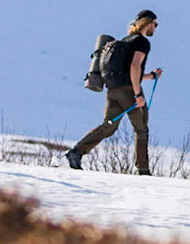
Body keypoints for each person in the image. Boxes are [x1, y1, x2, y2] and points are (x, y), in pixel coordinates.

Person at [66, 9, 163, 174]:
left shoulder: (125, 41)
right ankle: (143, 169)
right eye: (155, 24)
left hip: (113, 91)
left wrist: (151, 76)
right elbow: (134, 67)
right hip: (128, 91)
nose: (155, 27)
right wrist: (138, 94)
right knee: (141, 129)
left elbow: (131, 72)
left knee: (108, 127)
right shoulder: (142, 42)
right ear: (148, 23)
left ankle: (76, 151)